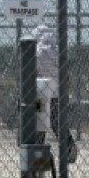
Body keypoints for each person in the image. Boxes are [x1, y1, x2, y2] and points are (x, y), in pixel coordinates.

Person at [33, 20, 76, 163]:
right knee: (57, 122)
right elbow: (66, 74)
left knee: (40, 122)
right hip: (58, 92)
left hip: (40, 92)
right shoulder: (59, 50)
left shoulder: (36, 51)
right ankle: (69, 146)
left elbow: (32, 72)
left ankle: (38, 151)